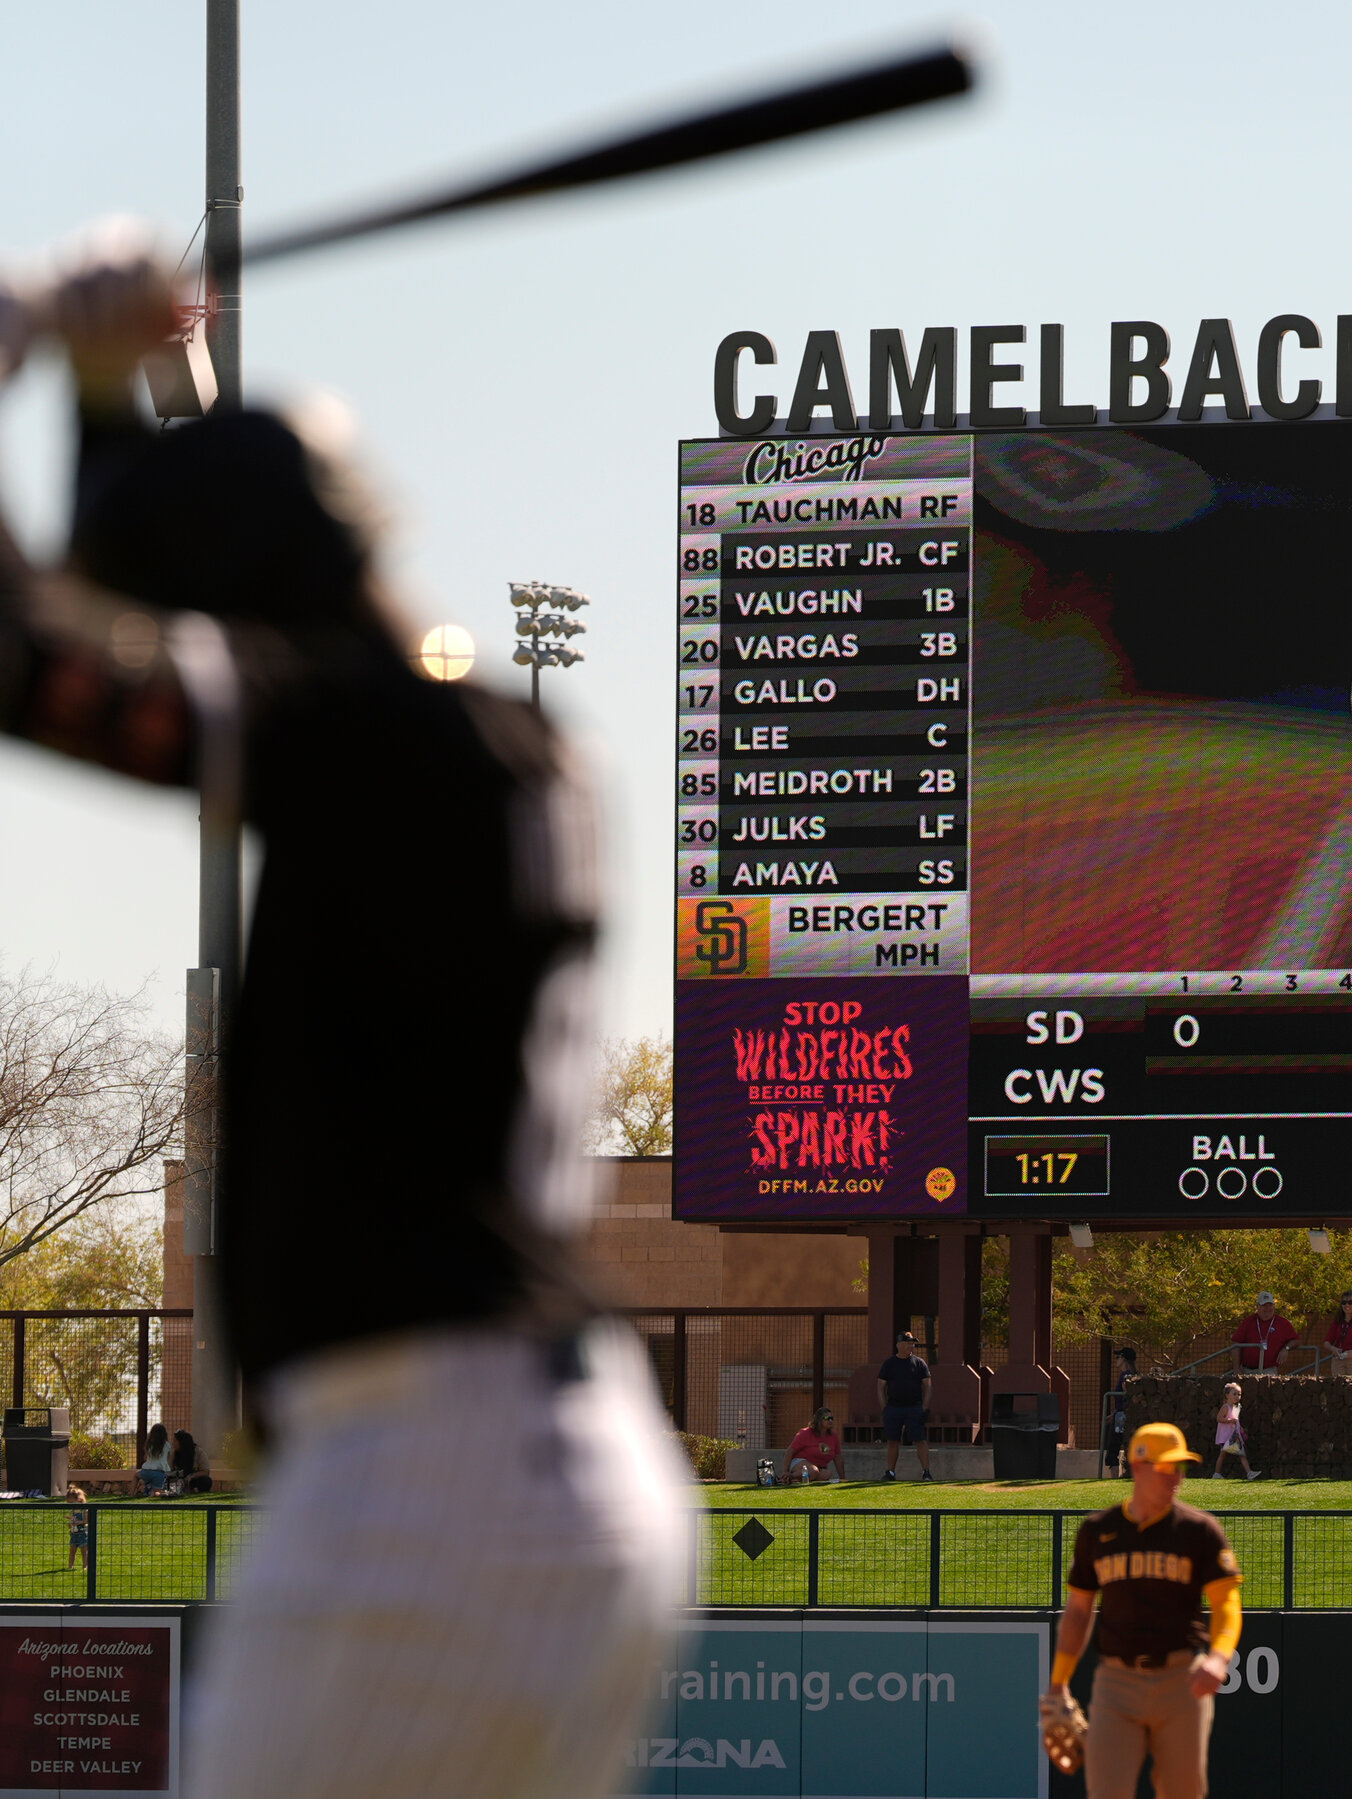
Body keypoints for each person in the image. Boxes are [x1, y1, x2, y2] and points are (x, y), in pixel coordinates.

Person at [0, 238, 683, 1799]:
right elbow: (141, 594)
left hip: (429, 1475)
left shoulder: (384, 743)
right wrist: (109, 381)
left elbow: (31, 655)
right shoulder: (482, 734)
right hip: (524, 1458)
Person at [1045, 1423, 1243, 1799]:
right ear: (1138, 1467)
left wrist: (1219, 1657)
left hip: (1181, 1682)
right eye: (1167, 1467)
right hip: (1116, 1684)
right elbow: (1078, 1611)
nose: (1176, 1477)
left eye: (1180, 1468)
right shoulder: (1099, 1531)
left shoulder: (1199, 1530)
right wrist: (1058, 1684)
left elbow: (1227, 1603)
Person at [877, 1330, 933, 1481]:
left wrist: (924, 1407)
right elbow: (881, 1386)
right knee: (892, 1440)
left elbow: (927, 1385)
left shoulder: (919, 1363)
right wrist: (884, 1407)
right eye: (908, 1343)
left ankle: (926, 1472)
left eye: (912, 1343)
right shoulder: (889, 1364)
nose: (911, 1346)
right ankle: (890, 1472)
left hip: (914, 1407)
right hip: (893, 1408)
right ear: (899, 1344)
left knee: (920, 1439)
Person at [1230, 1292, 1297, 1376]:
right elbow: (1236, 1344)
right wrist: (1236, 1369)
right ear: (1257, 1306)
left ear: (1274, 1306)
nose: (1267, 1308)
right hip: (1247, 1371)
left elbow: (1295, 1340)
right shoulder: (1248, 1322)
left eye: (1270, 1305)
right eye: (1264, 1305)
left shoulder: (1283, 1323)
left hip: (1269, 1371)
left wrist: (1286, 1348)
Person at [1210, 1381, 1259, 1480]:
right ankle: (1217, 1473)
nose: (1237, 1396)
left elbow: (1236, 1421)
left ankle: (1249, 1473)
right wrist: (1230, 1421)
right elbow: (1219, 1418)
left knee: (1242, 1454)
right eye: (1234, 1394)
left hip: (1234, 1436)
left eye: (1239, 1394)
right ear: (1227, 1395)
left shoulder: (1236, 1407)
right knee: (1223, 1454)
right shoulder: (1225, 1407)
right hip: (1226, 1436)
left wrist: (1240, 1428)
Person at [1103, 1347, 1139, 1477]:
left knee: (1113, 1450)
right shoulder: (1132, 1374)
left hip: (1121, 1417)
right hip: (1119, 1414)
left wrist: (1119, 1413)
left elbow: (1126, 1396)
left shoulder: (1126, 1376)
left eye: (1118, 1357)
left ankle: (1115, 1478)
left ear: (1123, 1359)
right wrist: (1114, 1413)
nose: (1116, 1360)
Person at [785, 1407, 844, 1484]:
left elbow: (838, 1458)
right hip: (799, 1462)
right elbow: (790, 1451)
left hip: (818, 1467)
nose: (830, 1420)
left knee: (827, 1474)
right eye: (827, 1418)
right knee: (813, 1471)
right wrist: (785, 1471)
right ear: (819, 1420)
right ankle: (788, 1477)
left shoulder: (834, 1436)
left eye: (831, 1418)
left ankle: (797, 1480)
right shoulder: (805, 1433)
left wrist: (843, 1478)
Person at [1325, 1292, 1352, 1378]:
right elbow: (1326, 1342)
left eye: (1350, 1302)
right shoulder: (1338, 1320)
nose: (1347, 1305)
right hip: (1338, 1359)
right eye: (1344, 1302)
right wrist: (1333, 1349)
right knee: (1338, 1383)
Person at [171, 1430, 213, 1495]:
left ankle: (199, 1494)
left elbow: (205, 1472)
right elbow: (170, 1471)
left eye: (175, 1441)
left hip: (193, 1480)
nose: (173, 1443)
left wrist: (192, 1476)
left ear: (182, 1442)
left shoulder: (199, 1452)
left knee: (206, 1481)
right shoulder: (174, 1454)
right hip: (179, 1481)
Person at [137, 1422, 173, 1496]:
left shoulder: (149, 1444)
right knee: (158, 1492)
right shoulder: (167, 1445)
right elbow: (169, 1459)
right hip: (160, 1473)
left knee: (135, 1476)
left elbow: (145, 1458)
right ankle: (155, 1493)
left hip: (146, 1471)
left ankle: (131, 1493)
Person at [67, 1487, 89, 1570]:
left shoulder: (84, 1510)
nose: (71, 1505)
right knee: (72, 1550)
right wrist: (70, 1524)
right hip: (74, 1533)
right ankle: (70, 1566)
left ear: (79, 1500)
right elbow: (73, 1520)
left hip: (83, 1532)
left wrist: (77, 1522)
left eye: (72, 1502)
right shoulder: (73, 1511)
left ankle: (85, 1566)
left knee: (84, 1551)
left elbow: (86, 1521)